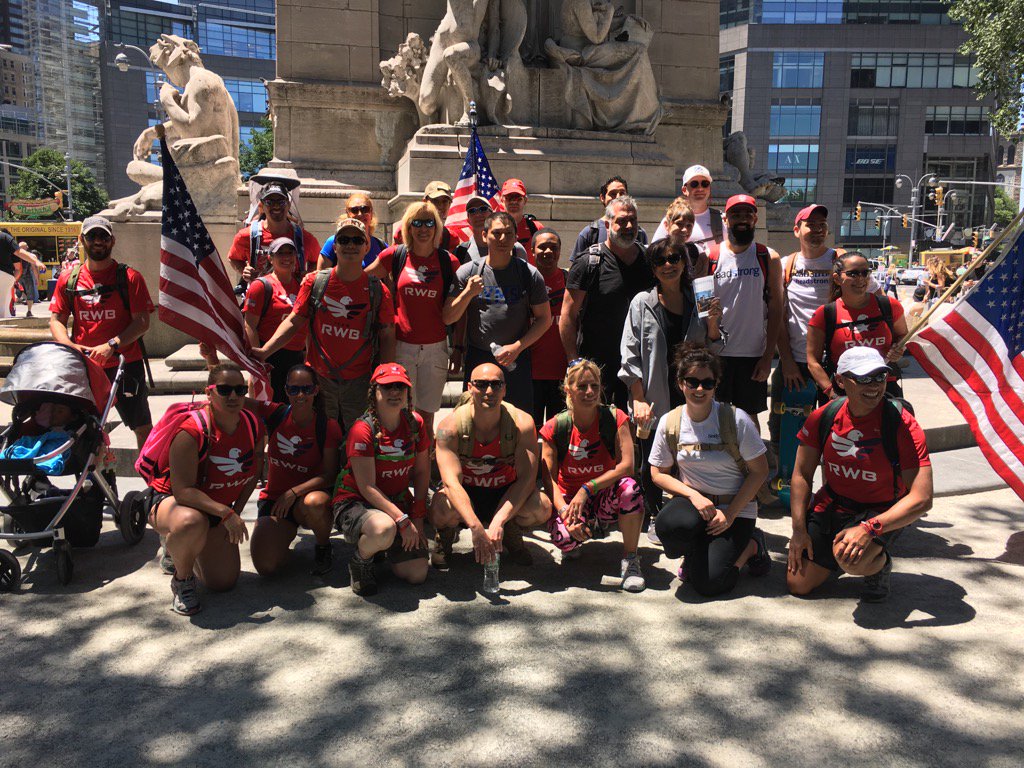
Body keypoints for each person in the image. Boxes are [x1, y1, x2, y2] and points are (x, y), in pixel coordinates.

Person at [787, 347, 933, 602]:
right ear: (841, 381)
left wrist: (869, 529)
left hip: (882, 510)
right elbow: (801, 474)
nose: (874, 386)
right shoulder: (825, 416)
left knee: (852, 560)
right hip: (834, 504)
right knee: (798, 584)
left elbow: (922, 498)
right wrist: (799, 530)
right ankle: (839, 552)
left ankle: (877, 564)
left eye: (879, 377)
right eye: (863, 378)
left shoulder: (901, 423)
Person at [650, 344, 772, 596]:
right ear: (681, 383)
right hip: (695, 505)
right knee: (669, 527)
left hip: (735, 508)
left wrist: (729, 515)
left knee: (711, 584)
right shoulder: (670, 421)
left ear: (716, 384)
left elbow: (759, 472)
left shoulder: (736, 420)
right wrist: (694, 496)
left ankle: (752, 545)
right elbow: (657, 473)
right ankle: (695, 552)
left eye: (707, 383)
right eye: (692, 382)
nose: (699, 389)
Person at [147, 362, 266, 615]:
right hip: (174, 503)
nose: (233, 396)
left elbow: (253, 473)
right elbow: (183, 491)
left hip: (216, 509)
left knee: (222, 583)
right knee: (191, 523)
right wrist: (226, 512)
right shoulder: (191, 431)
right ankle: (182, 579)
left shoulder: (253, 425)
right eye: (224, 390)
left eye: (239, 389)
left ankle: (181, 548)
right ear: (209, 392)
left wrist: (235, 512)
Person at [253, 218, 396, 429]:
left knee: (356, 440)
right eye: (344, 239)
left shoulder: (378, 290)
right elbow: (294, 321)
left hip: (359, 380)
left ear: (366, 247)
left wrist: (386, 377)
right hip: (320, 380)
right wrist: (265, 351)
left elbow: (387, 335)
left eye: (357, 240)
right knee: (321, 438)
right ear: (334, 246)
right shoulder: (316, 283)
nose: (350, 245)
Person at [619, 239, 723, 510]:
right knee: (654, 463)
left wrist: (713, 324)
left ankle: (688, 512)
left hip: (694, 395)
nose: (668, 265)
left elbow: (713, 349)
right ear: (652, 269)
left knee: (691, 461)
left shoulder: (699, 300)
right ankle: (653, 513)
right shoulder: (642, 303)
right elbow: (630, 355)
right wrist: (638, 399)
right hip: (654, 398)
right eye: (660, 261)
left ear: (683, 264)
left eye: (674, 259)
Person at [430, 363, 551, 570]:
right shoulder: (449, 428)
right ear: (469, 387)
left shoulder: (522, 423)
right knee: (440, 508)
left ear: (505, 389)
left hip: (504, 492)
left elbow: (527, 479)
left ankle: (510, 529)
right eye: (481, 384)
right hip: (467, 493)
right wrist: (476, 527)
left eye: (496, 385)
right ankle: (445, 536)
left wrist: (499, 521)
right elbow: (451, 484)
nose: (489, 391)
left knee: (541, 507)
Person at [540, 358, 646, 592]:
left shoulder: (615, 417)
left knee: (630, 488)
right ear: (568, 389)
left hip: (601, 493)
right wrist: (564, 512)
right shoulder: (555, 426)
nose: (590, 392)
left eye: (595, 386)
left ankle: (630, 560)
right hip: (571, 502)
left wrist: (587, 488)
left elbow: (628, 465)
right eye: (582, 386)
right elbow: (548, 478)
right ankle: (578, 534)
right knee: (564, 539)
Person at [49, 216, 155, 448]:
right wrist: (69, 346)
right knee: (84, 428)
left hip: (125, 365)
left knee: (142, 427)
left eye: (104, 236)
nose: (98, 241)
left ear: (112, 241)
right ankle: (97, 482)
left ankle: (153, 480)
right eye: (92, 236)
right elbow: (57, 319)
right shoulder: (68, 279)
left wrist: (112, 345)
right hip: (85, 367)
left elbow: (142, 322)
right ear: (82, 240)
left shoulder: (130, 278)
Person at [334, 363, 431, 596]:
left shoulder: (415, 424)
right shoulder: (362, 429)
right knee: (383, 529)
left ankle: (382, 548)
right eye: (387, 387)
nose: (394, 392)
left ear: (408, 392)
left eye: (400, 386)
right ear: (374, 392)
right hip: (356, 502)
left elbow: (421, 472)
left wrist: (416, 517)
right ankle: (361, 561)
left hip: (397, 503)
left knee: (417, 574)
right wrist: (403, 521)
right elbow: (367, 487)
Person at [366, 201, 461, 435]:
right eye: (416, 223)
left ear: (437, 227)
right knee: (399, 412)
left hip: (435, 348)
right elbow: (361, 280)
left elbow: (459, 310)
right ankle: (399, 464)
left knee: (427, 417)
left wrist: (458, 347)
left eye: (429, 223)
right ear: (408, 227)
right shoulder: (394, 256)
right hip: (401, 347)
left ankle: (422, 468)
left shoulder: (449, 262)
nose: (423, 228)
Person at [443, 211, 552, 413]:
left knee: (519, 420)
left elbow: (544, 319)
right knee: (475, 420)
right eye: (497, 233)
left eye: (509, 233)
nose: (503, 239)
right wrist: (468, 293)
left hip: (516, 360)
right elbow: (449, 317)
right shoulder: (468, 272)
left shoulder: (529, 273)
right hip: (479, 357)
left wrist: (518, 347)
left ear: (516, 237)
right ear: (484, 236)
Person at [561, 195, 655, 410]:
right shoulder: (588, 263)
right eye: (622, 221)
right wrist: (573, 361)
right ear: (607, 224)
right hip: (596, 365)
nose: (629, 226)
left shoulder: (649, 260)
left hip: (640, 363)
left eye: (633, 220)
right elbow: (568, 315)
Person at [770, 205, 852, 452]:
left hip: (835, 365)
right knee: (784, 434)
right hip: (795, 365)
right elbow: (779, 318)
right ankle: (785, 486)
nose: (817, 230)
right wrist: (786, 361)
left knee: (837, 435)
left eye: (822, 225)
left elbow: (874, 297)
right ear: (797, 230)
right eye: (810, 225)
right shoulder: (787, 265)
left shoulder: (841, 261)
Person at [249, 364, 342, 577]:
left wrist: (293, 492)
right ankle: (283, 544)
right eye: (294, 389)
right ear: (286, 390)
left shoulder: (327, 426)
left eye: (307, 389)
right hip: (275, 501)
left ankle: (323, 546)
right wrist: (213, 365)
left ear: (316, 390)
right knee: (266, 567)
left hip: (304, 500)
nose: (300, 395)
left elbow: (329, 475)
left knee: (316, 503)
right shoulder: (276, 414)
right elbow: (235, 401)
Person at [710, 194, 784, 430]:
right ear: (725, 218)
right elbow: (702, 307)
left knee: (749, 420)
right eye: (735, 214)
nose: (741, 220)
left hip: (753, 355)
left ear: (755, 218)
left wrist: (767, 356)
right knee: (714, 418)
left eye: (747, 214)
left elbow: (776, 309)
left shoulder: (767, 257)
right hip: (717, 353)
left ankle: (756, 465)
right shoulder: (710, 257)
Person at [806, 251, 908, 399]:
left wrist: (899, 348)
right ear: (837, 278)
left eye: (865, 273)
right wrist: (832, 393)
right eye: (853, 274)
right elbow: (812, 361)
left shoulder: (889, 306)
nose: (861, 278)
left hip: (884, 387)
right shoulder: (825, 314)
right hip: (843, 392)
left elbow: (903, 336)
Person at [243, 237, 307, 403]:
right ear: (270, 257)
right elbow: (249, 324)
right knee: (271, 408)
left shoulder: (303, 285)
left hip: (297, 357)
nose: (286, 257)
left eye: (290, 252)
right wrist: (259, 363)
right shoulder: (261, 286)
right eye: (281, 253)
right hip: (271, 357)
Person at [227, 182, 319, 285]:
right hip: (260, 297)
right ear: (261, 206)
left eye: (281, 202)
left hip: (293, 298)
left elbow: (317, 260)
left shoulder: (303, 238)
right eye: (269, 202)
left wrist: (308, 276)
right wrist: (244, 270)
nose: (276, 206)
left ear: (288, 205)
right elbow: (233, 258)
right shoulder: (247, 236)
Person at [530, 229, 569, 426]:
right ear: (532, 250)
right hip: (530, 374)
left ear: (560, 252)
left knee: (559, 436)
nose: (548, 251)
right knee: (529, 434)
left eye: (553, 247)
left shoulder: (570, 281)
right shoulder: (524, 280)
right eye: (542, 247)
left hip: (562, 374)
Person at [569, 176, 649, 262]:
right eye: (613, 194)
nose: (618, 197)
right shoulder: (589, 233)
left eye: (622, 193)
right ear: (602, 198)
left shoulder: (639, 233)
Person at [651, 165, 724, 254]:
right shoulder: (671, 219)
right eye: (694, 184)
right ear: (684, 189)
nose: (700, 188)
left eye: (705, 184)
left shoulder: (721, 219)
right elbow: (654, 252)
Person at [318, 193, 388, 270]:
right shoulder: (333, 242)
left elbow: (389, 279)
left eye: (365, 209)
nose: (360, 214)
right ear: (347, 214)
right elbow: (320, 278)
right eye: (354, 210)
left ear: (371, 213)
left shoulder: (381, 246)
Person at [452, 195, 529, 264]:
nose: (478, 214)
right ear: (468, 220)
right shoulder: (461, 252)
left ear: (492, 215)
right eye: (472, 211)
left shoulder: (515, 248)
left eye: (483, 209)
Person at [393, 181, 465, 252]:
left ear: (450, 204)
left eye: (444, 201)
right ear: (425, 202)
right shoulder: (404, 230)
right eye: (435, 201)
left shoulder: (451, 238)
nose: (440, 206)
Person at [658, 197, 709, 280]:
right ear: (666, 225)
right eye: (679, 224)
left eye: (689, 225)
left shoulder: (699, 254)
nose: (685, 230)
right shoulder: (657, 252)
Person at [0, 228, 45, 319]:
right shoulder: (5, 237)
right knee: (3, 309)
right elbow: (19, 254)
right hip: (4, 275)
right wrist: (36, 261)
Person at [499, 178, 545, 262]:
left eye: (518, 198)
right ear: (501, 199)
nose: (513, 201)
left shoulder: (536, 228)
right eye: (509, 197)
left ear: (525, 200)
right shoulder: (494, 229)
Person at [17, 243, 41, 317]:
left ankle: (27, 309)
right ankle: (29, 311)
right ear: (26, 247)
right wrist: (37, 279)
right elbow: (34, 268)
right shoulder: (30, 256)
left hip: (18, 276)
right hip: (27, 276)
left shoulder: (15, 254)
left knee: (17, 293)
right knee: (30, 294)